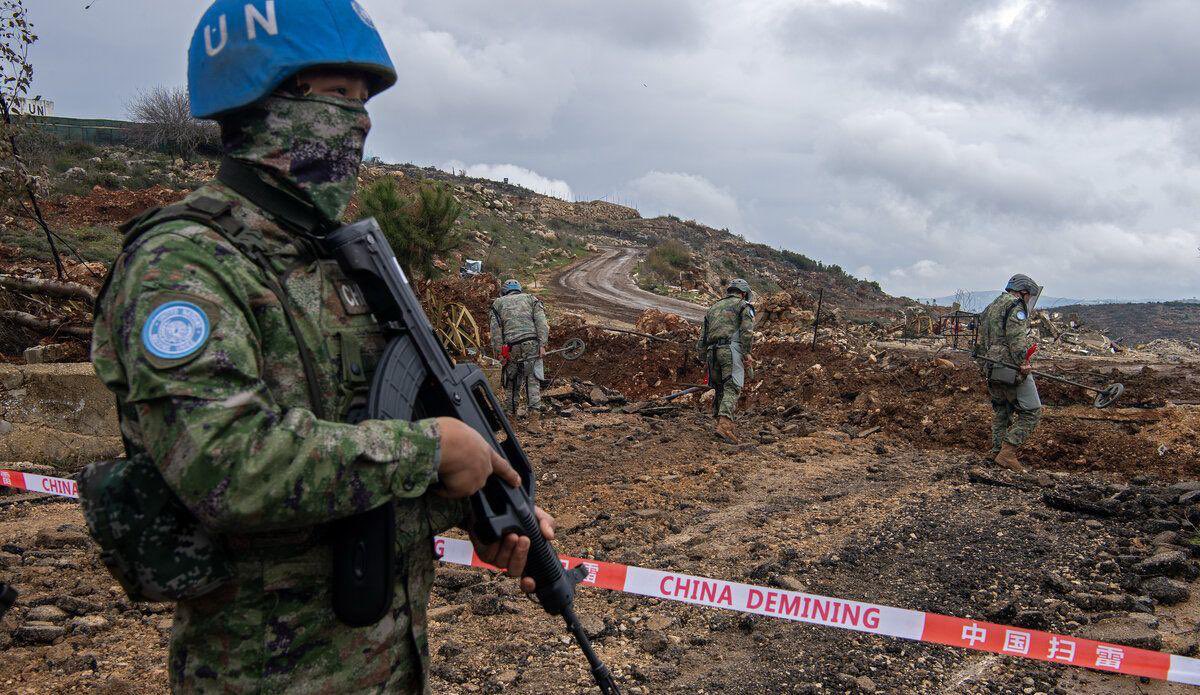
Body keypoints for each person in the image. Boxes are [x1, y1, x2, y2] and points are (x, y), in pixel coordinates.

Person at [90, 2, 552, 691]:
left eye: (365, 103)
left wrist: (477, 508)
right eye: (339, 96)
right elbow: (226, 465)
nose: (359, 123)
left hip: (386, 663)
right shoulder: (183, 263)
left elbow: (358, 442)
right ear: (263, 100)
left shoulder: (334, 263)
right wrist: (429, 451)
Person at [976, 274, 1043, 471]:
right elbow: (1016, 338)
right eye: (1029, 296)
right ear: (1023, 292)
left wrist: (984, 364)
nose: (1028, 300)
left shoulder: (992, 306)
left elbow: (982, 339)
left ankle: (996, 452)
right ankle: (1007, 453)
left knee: (1002, 409)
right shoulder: (1016, 307)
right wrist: (1023, 362)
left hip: (990, 364)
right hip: (1008, 367)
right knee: (1032, 412)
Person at [698, 278, 756, 443]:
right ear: (743, 293)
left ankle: (719, 423)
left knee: (719, 387)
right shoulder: (743, 306)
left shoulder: (713, 308)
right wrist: (747, 353)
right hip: (731, 350)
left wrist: (703, 358)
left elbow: (702, 337)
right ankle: (724, 426)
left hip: (712, 352)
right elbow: (747, 332)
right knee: (732, 386)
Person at [489, 279, 549, 417]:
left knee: (511, 380)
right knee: (532, 379)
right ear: (519, 289)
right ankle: (534, 417)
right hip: (532, 344)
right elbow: (542, 323)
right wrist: (542, 345)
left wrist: (500, 354)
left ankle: (510, 416)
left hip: (511, 346)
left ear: (504, 291)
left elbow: (495, 332)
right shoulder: (531, 299)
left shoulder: (498, 303)